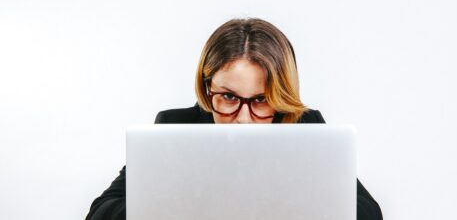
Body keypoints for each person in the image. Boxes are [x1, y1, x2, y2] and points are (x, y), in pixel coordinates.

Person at [86, 18, 383, 220]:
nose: (243, 119)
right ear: (207, 88)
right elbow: (100, 212)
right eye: (228, 97)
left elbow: (369, 213)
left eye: (261, 100)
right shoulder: (175, 130)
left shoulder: (306, 128)